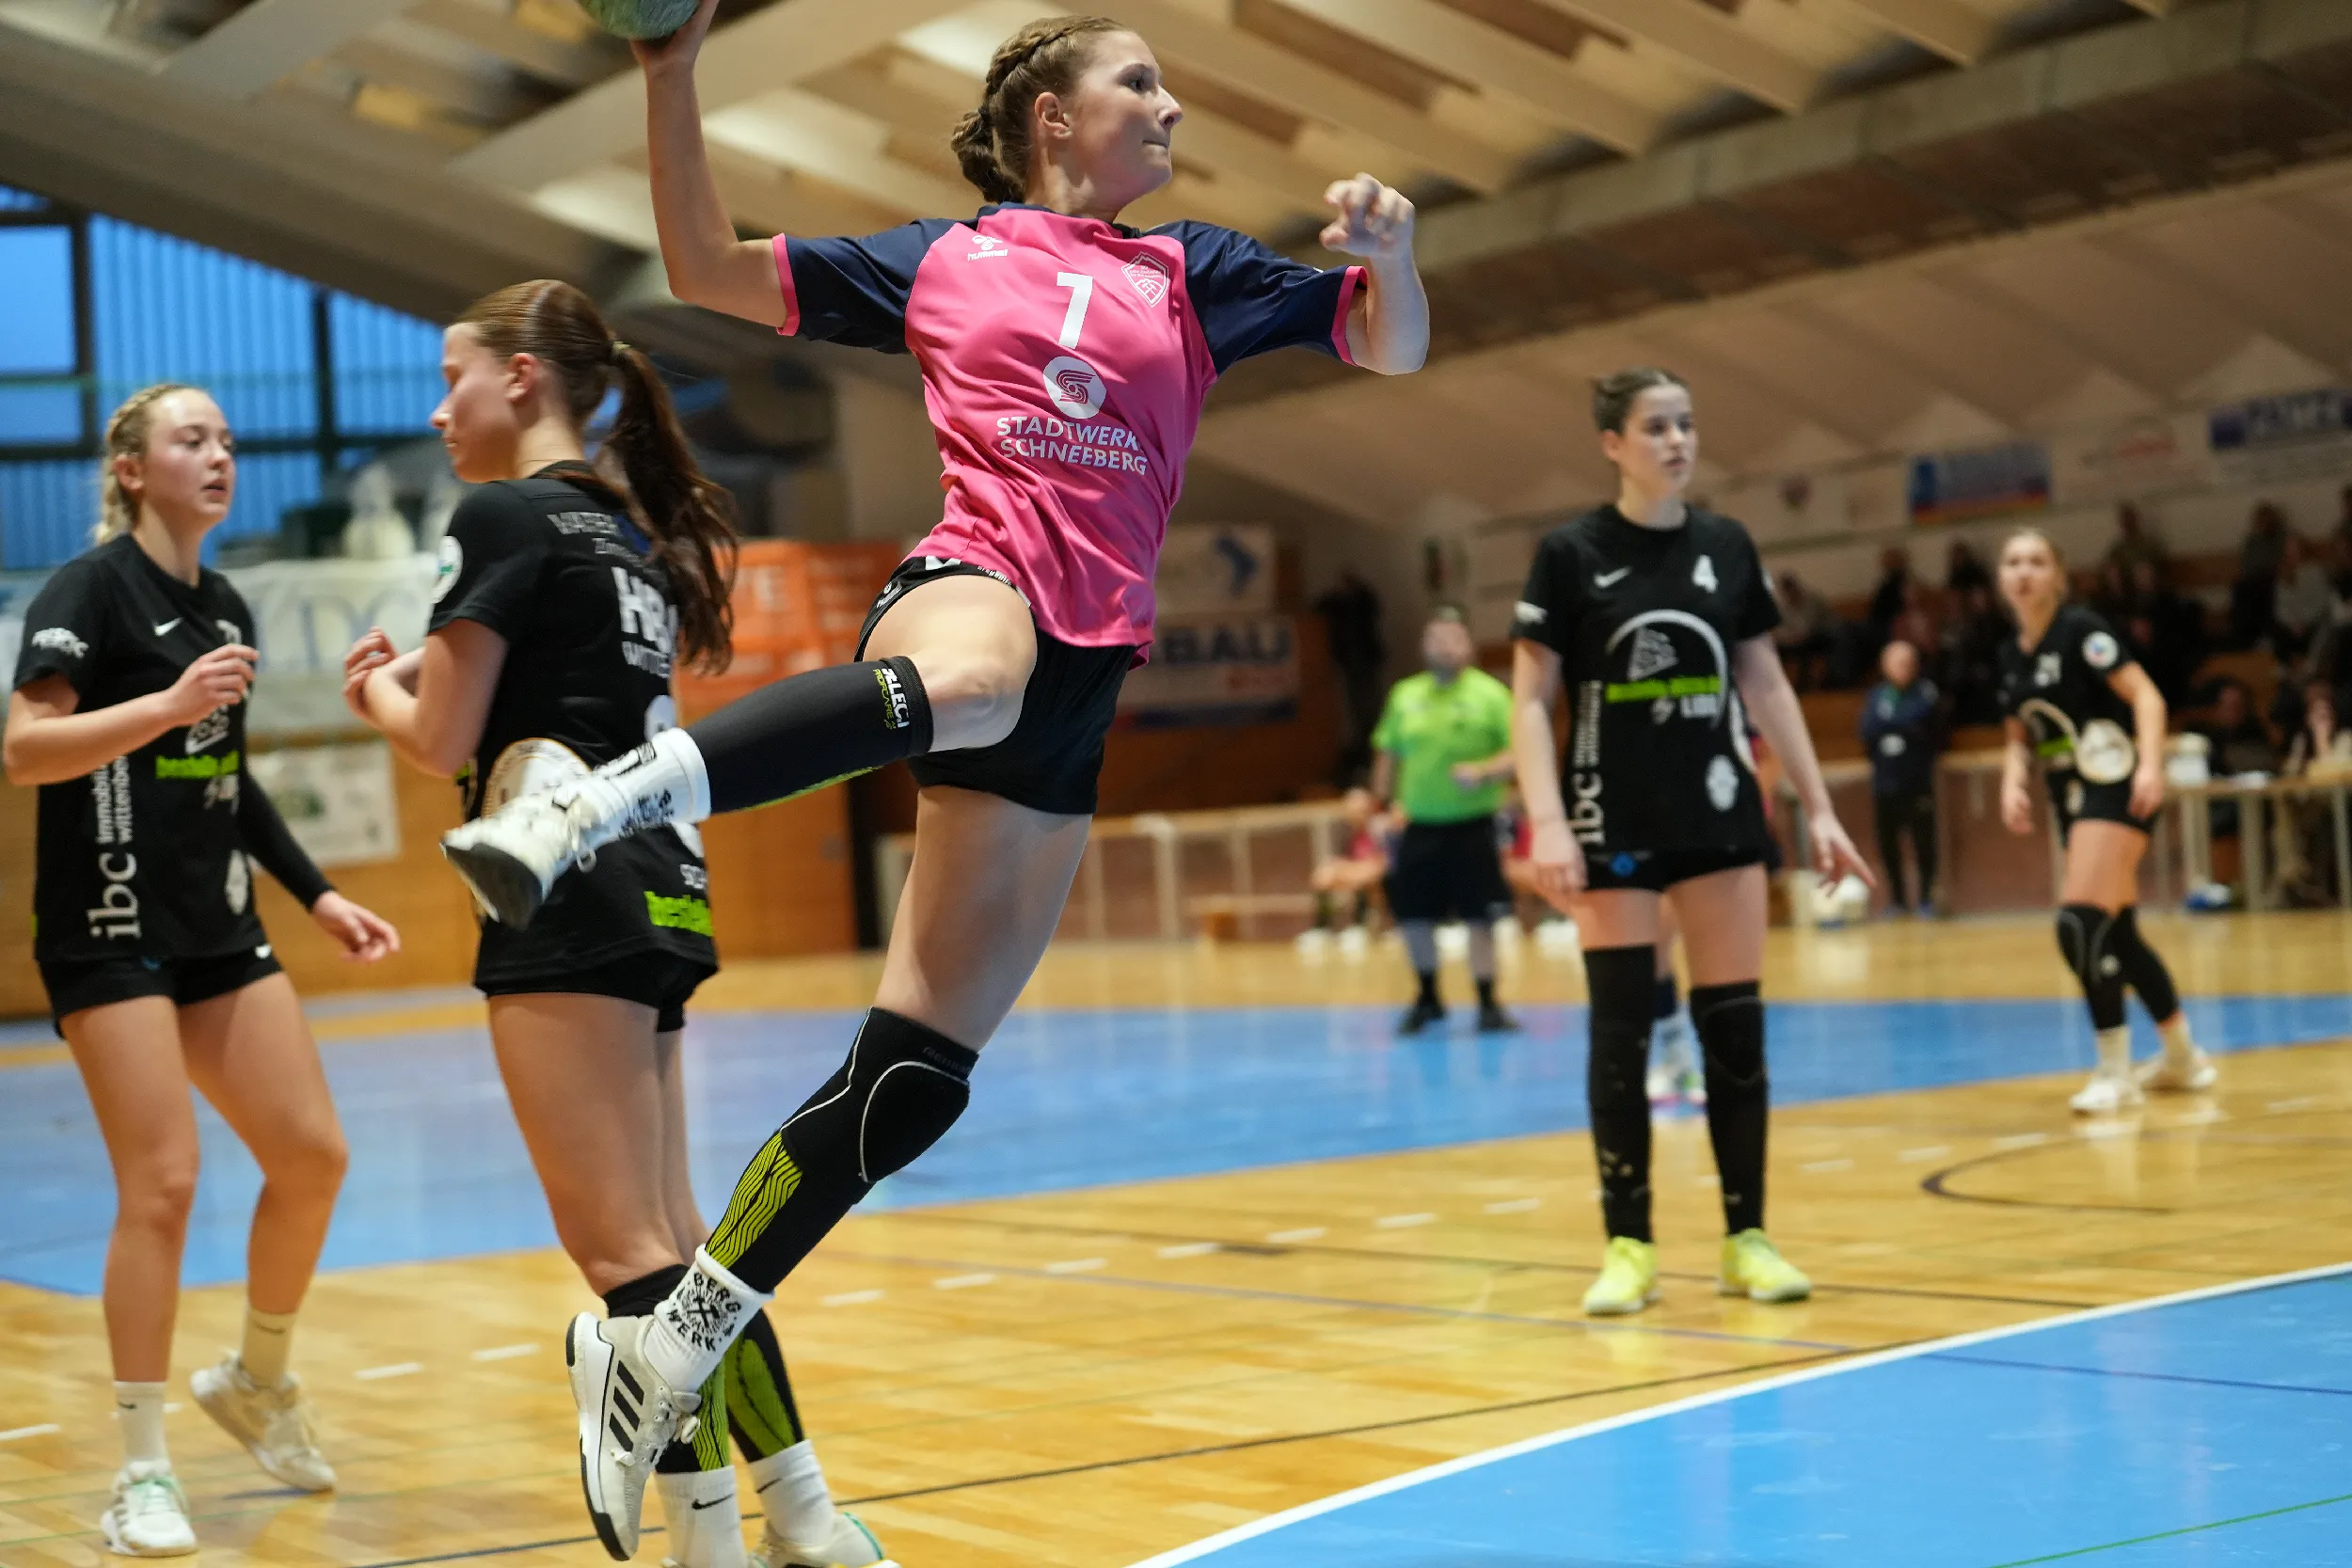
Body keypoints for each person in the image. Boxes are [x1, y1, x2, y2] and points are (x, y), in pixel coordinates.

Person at [429, 7, 1429, 1555]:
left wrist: (1396, 255)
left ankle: (667, 1342)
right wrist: (671, 74)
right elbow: (703, 266)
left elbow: (1390, 340)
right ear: (1052, 116)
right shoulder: (946, 259)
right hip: (972, 588)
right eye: (1140, 80)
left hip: (1086, 681)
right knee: (973, 679)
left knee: (917, 1075)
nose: (1172, 104)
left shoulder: (1196, 273)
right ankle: (588, 801)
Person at [341, 281, 882, 1568]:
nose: (440, 407)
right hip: (660, 882)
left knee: (622, 1251)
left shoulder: (499, 512)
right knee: (682, 1243)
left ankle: (710, 1542)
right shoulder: (622, 535)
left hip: (563, 887)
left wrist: (372, 694)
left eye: (454, 375)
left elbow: (443, 737)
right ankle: (804, 1510)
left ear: (523, 376)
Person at [3, 384, 400, 1557]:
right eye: (192, 439)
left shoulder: (221, 601)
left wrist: (318, 892)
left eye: (225, 439)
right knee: (164, 1183)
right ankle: (140, 1469)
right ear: (132, 468)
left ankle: (256, 1379)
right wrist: (163, 703)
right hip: (109, 923)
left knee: (313, 1156)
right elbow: (26, 748)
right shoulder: (87, 591)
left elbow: (230, 775)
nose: (220, 454)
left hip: (219, 927)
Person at [1508, 366, 1871, 1318]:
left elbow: (1767, 684)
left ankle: (1747, 1238)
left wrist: (1819, 806)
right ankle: (1627, 1245)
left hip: (1717, 814)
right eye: (1656, 426)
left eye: (1686, 424)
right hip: (1609, 818)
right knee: (1621, 1033)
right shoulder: (1570, 554)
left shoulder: (1725, 546)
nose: (1677, 441)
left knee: (1734, 1030)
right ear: (1612, 444)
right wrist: (1548, 820)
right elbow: (1531, 699)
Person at [1994, 528, 2217, 1114]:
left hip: (2114, 786)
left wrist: (2151, 766)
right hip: (2068, 798)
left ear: (2058, 576)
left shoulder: (2082, 631)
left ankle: (2114, 1072)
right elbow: (2018, 734)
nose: (2024, 572)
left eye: (2036, 561)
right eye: (2013, 562)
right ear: (2000, 578)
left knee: (2079, 924)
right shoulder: (2011, 654)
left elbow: (2147, 697)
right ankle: (2183, 1059)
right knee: (2119, 935)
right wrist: (2013, 780)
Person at [1371, 606, 1518, 1035]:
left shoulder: (1491, 695)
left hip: (1474, 825)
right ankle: (1427, 997)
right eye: (1436, 638)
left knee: (1479, 917)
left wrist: (1485, 771)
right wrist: (1380, 808)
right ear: (1424, 646)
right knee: (1414, 917)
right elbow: (1387, 754)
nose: (1445, 647)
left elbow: (1520, 752)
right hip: (1419, 827)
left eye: (1453, 638)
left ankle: (1488, 1002)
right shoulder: (1405, 695)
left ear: (1468, 645)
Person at [1860, 640, 1943, 915]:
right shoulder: (1877, 696)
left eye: (1907, 663)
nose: (1902, 669)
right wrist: (1902, 726)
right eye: (1896, 663)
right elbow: (1869, 730)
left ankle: (1926, 898)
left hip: (1917, 783)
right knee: (1888, 845)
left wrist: (1894, 726)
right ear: (1885, 666)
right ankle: (1897, 900)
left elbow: (1925, 724)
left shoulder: (1925, 693)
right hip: (1885, 785)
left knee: (1924, 843)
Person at [1314, 569, 1387, 783]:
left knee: (1369, 704)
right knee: (1357, 705)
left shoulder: (1363, 602)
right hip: (1350, 660)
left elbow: (1372, 607)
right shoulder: (1339, 605)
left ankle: (1370, 744)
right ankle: (1364, 746)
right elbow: (1319, 607)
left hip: (1364, 658)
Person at [1309, 784, 1391, 933]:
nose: (1356, 815)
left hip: (1381, 876)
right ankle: (1321, 928)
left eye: (1361, 811)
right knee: (1324, 875)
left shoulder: (1380, 828)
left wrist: (1359, 869)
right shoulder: (1347, 831)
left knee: (1365, 877)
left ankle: (1360, 925)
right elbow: (1341, 859)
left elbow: (1385, 861)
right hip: (1356, 870)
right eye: (1352, 811)